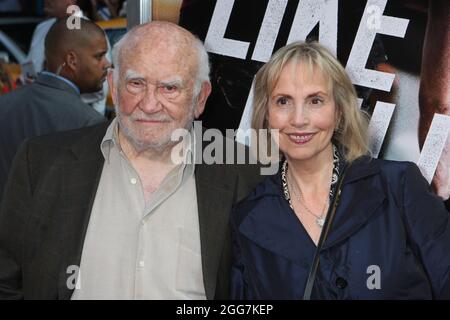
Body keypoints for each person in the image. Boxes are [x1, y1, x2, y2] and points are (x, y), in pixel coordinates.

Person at [0, 21, 262, 300]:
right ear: (113, 85)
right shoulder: (40, 162)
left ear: (200, 98)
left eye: (169, 88)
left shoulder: (241, 173)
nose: (149, 104)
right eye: (136, 84)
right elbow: (6, 282)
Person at [230, 41, 450, 299]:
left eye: (315, 101)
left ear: (338, 112)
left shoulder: (398, 186)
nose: (299, 119)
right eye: (283, 101)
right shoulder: (248, 218)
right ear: (266, 115)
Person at [0, 18, 108, 207]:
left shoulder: (5, 103)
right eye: (99, 56)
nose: (107, 64)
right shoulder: (89, 123)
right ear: (72, 60)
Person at [27, 0, 110, 115]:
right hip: (37, 111)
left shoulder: (91, 32)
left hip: (78, 118)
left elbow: (101, 87)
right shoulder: (41, 28)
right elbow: (30, 67)